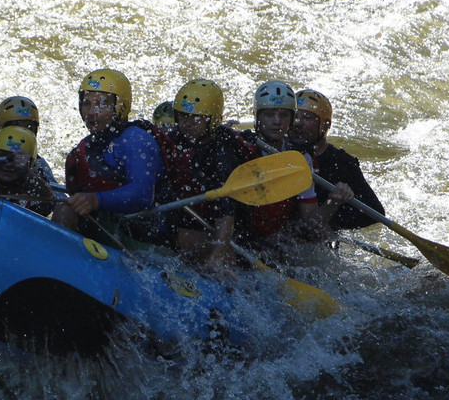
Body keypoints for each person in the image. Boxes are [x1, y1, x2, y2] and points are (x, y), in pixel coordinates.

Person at [52, 68, 167, 243]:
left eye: (101, 103)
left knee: (65, 210)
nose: (91, 112)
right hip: (104, 228)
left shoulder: (136, 139)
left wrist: (95, 200)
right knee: (65, 209)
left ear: (120, 106)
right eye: (86, 103)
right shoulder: (85, 146)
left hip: (142, 237)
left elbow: (143, 194)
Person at [159, 79, 251, 276]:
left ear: (212, 119)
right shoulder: (173, 139)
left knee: (183, 237)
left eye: (196, 117)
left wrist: (217, 257)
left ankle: (224, 260)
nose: (188, 123)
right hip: (187, 219)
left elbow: (226, 211)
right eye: (183, 115)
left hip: (226, 233)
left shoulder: (222, 153)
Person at [237, 80, 323, 245]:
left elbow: (310, 220)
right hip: (241, 235)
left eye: (283, 115)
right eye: (269, 114)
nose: (277, 121)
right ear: (257, 116)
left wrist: (334, 202)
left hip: (276, 241)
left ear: (291, 119)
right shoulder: (241, 147)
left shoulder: (300, 157)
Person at [290, 88, 384, 231]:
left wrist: (331, 222)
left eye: (307, 118)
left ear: (325, 125)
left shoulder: (342, 163)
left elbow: (374, 213)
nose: (298, 123)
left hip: (316, 236)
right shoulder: (279, 149)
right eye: (294, 116)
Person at [0, 95, 60, 190]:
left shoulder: (39, 164)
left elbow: (58, 197)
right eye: (15, 126)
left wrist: (28, 173)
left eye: (28, 128)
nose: (22, 133)